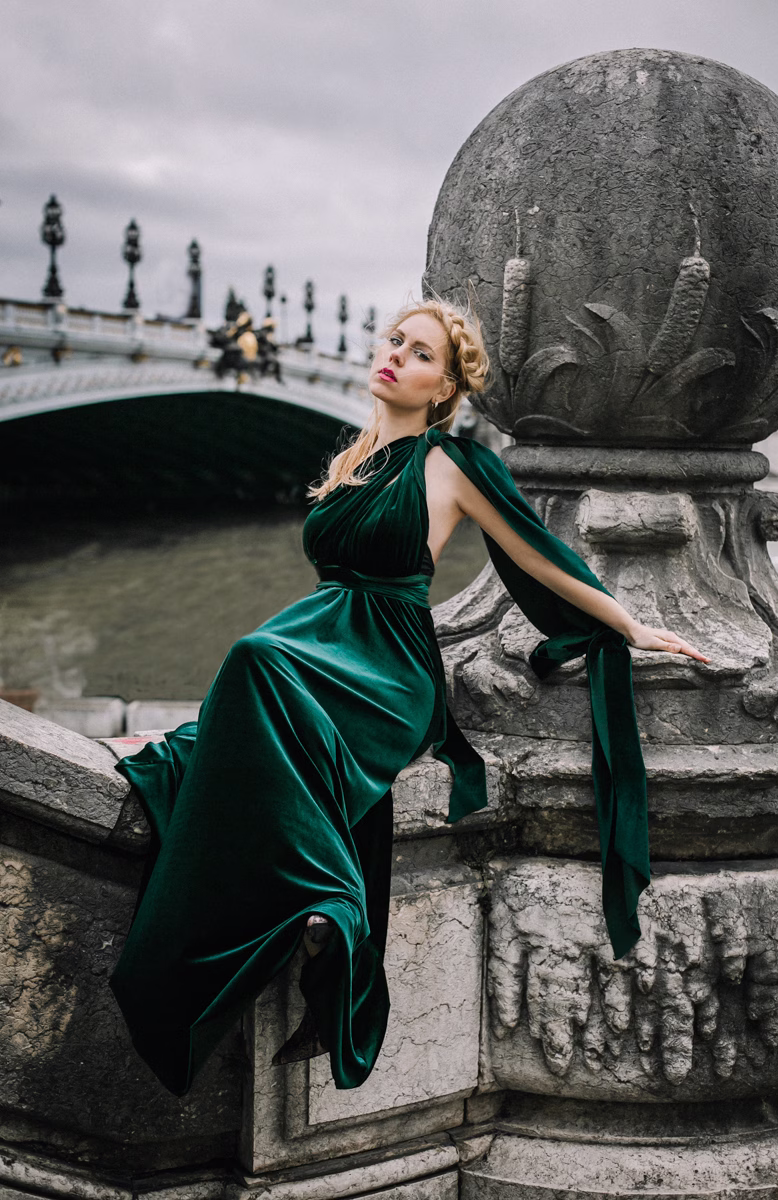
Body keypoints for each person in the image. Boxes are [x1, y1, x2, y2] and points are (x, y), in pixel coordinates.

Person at [109, 298, 708, 1097]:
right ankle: (294, 915)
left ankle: (337, 907)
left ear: (444, 388)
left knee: (253, 660)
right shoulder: (351, 458)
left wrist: (629, 624)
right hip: (321, 637)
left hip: (389, 663)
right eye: (394, 341)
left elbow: (542, 556)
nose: (396, 356)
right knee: (245, 684)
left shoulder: (452, 464)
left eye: (420, 353)